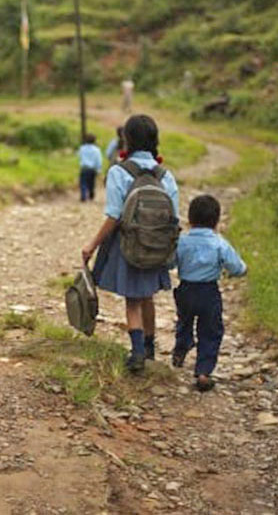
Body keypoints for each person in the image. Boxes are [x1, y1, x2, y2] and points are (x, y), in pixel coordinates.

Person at [82, 115, 179, 373]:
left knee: (132, 301)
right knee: (147, 297)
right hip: (157, 245)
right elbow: (174, 218)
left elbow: (114, 216)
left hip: (129, 246)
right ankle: (149, 348)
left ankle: (136, 353)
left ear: (128, 139)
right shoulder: (165, 175)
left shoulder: (119, 171)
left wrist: (91, 246)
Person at [172, 194, 247, 392]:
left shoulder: (182, 241)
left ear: (189, 219)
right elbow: (237, 267)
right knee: (210, 331)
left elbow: (170, 262)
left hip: (186, 289)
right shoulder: (219, 243)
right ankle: (203, 372)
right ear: (216, 221)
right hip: (208, 292)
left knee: (184, 321)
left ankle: (181, 347)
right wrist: (241, 272)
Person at [78, 134, 103, 202]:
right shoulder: (96, 150)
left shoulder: (82, 148)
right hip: (92, 169)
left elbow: (79, 156)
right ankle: (91, 195)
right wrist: (99, 169)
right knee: (91, 183)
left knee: (83, 183)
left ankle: (83, 196)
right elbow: (98, 160)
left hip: (84, 168)